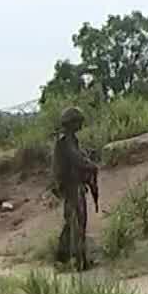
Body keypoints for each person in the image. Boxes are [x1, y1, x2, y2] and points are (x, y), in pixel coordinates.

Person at [52, 105, 98, 270]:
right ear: (72, 122)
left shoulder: (67, 139)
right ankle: (79, 260)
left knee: (71, 221)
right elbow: (76, 159)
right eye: (78, 122)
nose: (81, 125)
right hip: (71, 185)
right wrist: (90, 165)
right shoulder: (66, 140)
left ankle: (63, 257)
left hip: (71, 185)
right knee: (78, 221)